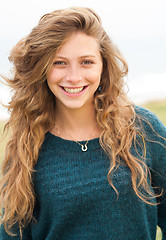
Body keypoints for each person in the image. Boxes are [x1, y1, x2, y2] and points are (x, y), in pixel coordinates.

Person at [0, 7, 165, 240]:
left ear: (103, 66)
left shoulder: (143, 128)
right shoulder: (26, 145)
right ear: (42, 69)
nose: (74, 77)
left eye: (87, 62)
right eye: (60, 63)